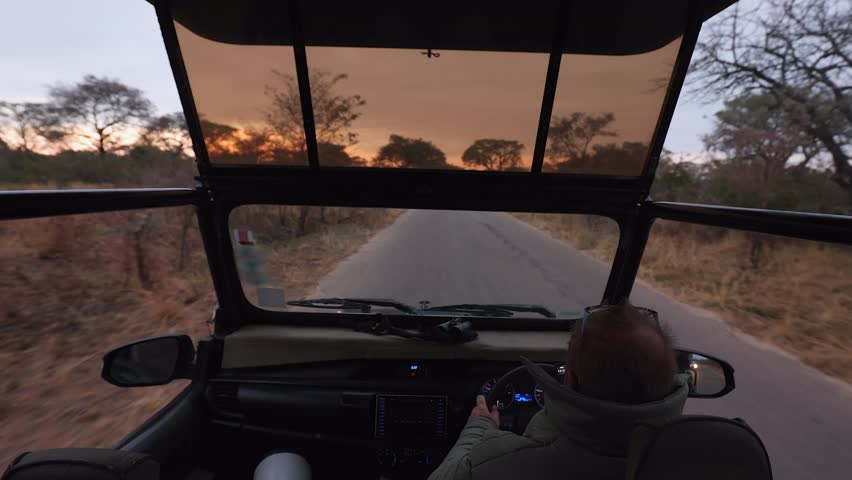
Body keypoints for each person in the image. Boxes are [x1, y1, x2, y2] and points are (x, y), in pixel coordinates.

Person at [427, 301, 688, 480]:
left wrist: (478, 428)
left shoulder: (502, 464)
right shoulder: (696, 458)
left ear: (569, 379)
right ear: (667, 383)